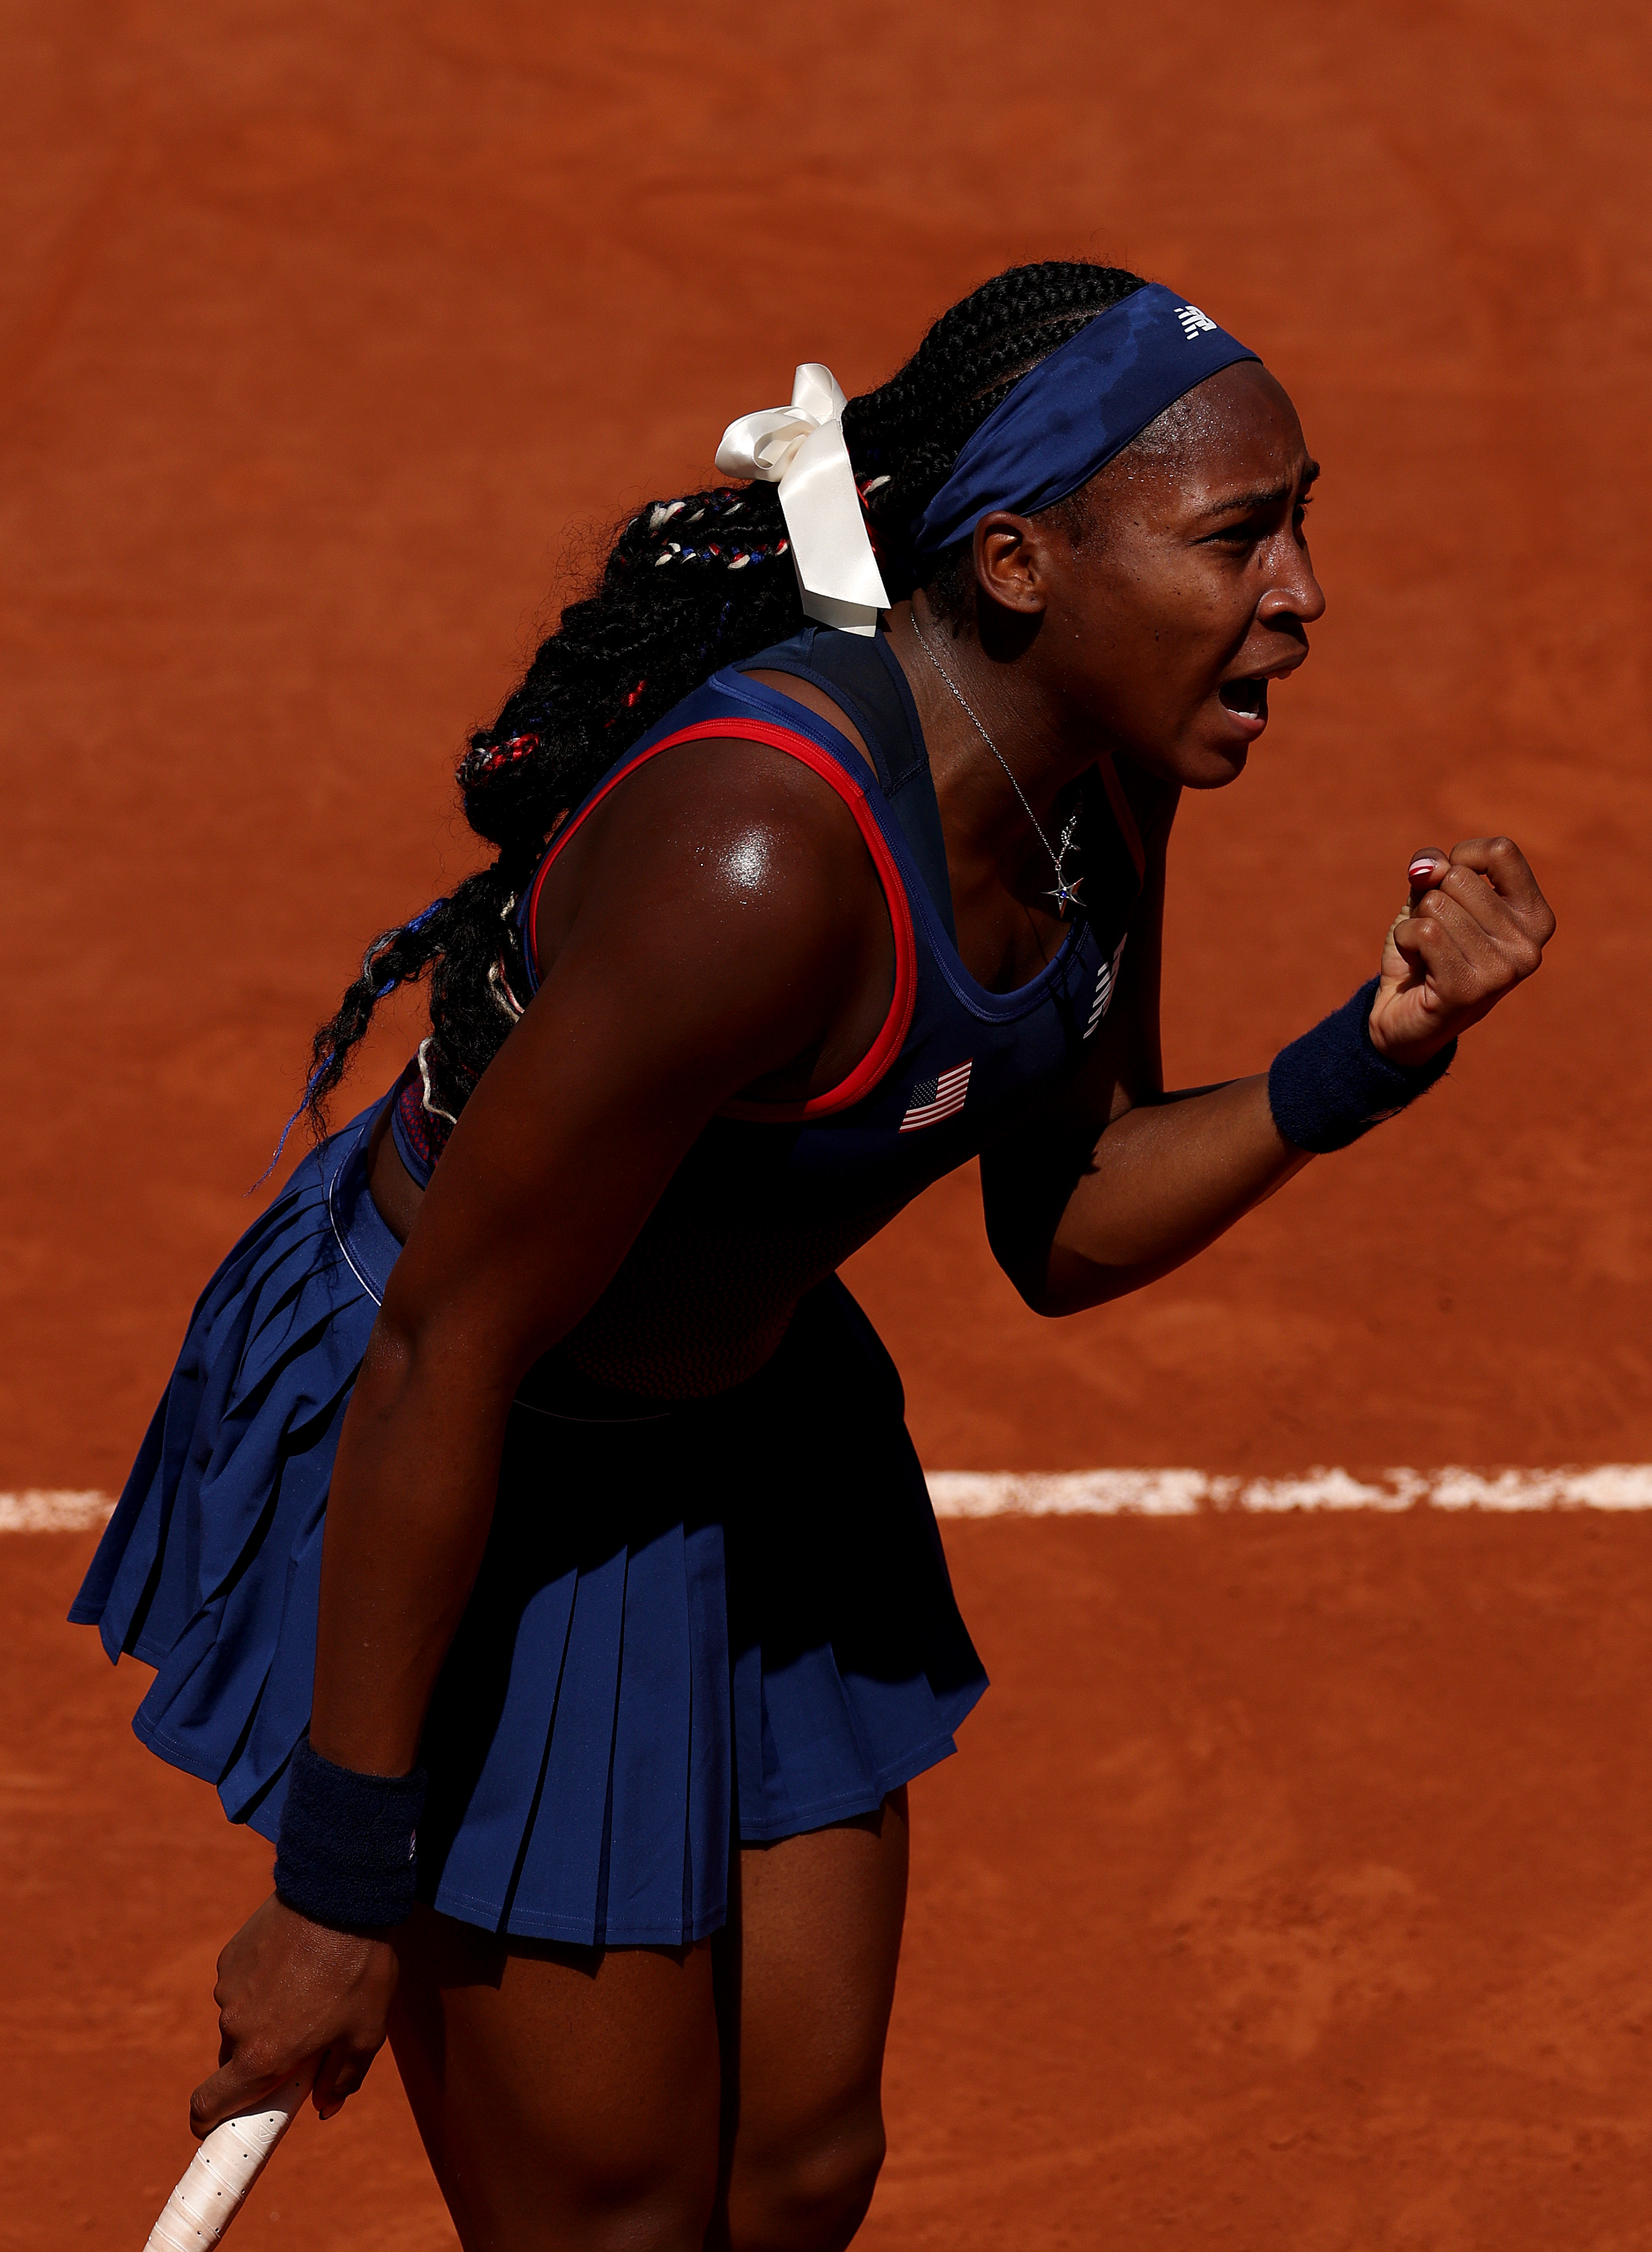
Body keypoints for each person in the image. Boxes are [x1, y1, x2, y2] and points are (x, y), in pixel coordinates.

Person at [73, 260, 1553, 2251]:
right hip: (499, 1460)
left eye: (1301, 523)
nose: (1301, 590)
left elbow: (1067, 1207)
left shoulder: (1092, 775)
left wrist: (1369, 1053)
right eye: (1237, 535)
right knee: (615, 2221)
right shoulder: (757, 863)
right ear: (1019, 563)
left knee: (795, 2175)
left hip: (761, 1433)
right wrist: (338, 1887)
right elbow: (446, 1348)